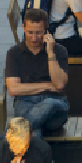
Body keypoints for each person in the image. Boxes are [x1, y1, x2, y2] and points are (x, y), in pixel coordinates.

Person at [5, 7, 70, 137]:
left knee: (49, 104)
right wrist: (46, 85)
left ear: (46, 30)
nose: (34, 38)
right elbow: (13, 89)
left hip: (55, 105)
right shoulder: (14, 53)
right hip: (26, 102)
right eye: (30, 32)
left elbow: (59, 85)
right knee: (33, 133)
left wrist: (50, 53)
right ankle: (38, 156)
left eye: (38, 33)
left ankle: (6, 138)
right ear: (23, 28)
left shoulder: (59, 51)